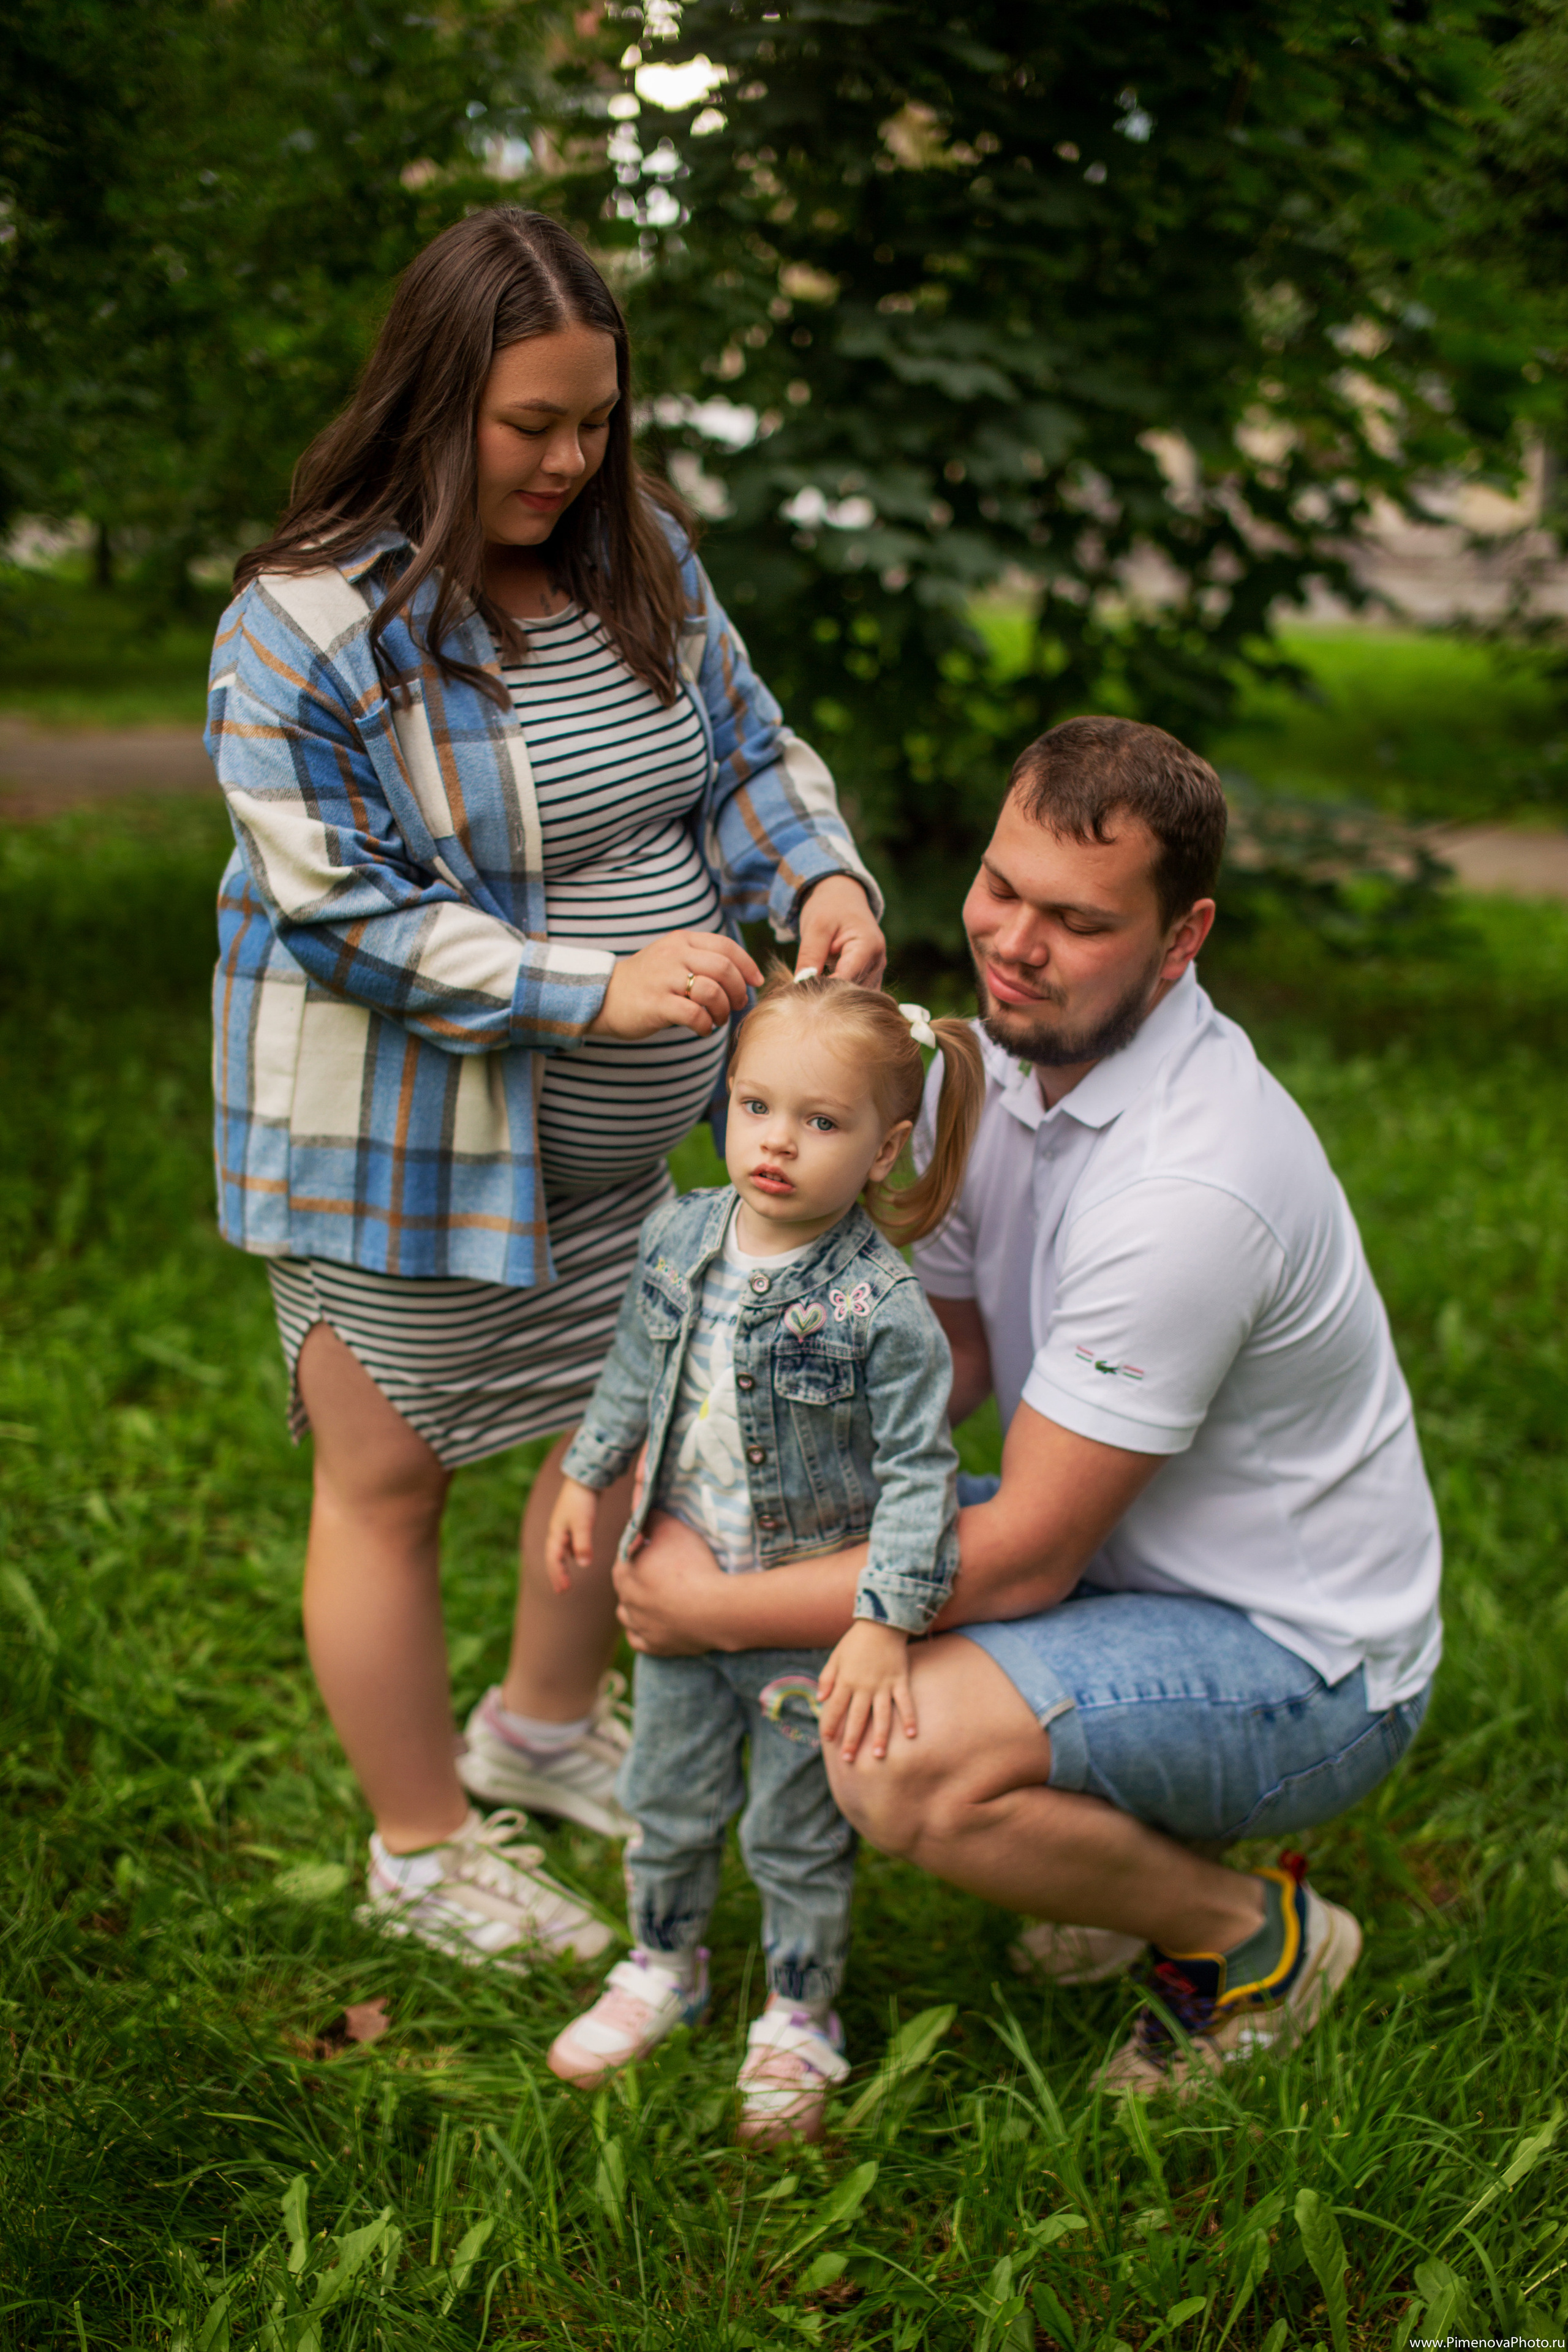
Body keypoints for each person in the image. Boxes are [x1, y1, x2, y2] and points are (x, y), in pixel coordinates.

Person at [206, 206, 886, 1969]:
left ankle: (533, 1731)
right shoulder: (304, 632)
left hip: (613, 1162)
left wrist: (819, 877)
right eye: (534, 426)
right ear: (436, 403)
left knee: (628, 1436)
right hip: (401, 1155)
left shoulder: (632, 553)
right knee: (392, 1484)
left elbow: (741, 755)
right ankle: (422, 1851)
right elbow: (342, 915)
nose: (574, 460)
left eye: (598, 420)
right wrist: (596, 991)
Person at [611, 716, 1442, 2095]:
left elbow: (1031, 1552)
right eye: (1000, 887)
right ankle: (1101, 1825)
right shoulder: (994, 1068)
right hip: (1134, 1573)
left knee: (893, 1753)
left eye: (1077, 920)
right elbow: (943, 1366)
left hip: (1303, 1662)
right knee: (805, 1575)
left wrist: (716, 1607)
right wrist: (742, 1475)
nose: (1011, 940)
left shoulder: (1190, 1187)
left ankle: (1254, 1938)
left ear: (1181, 941)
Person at [542, 971, 984, 2142]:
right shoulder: (680, 1232)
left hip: (804, 1622)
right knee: (667, 1798)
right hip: (679, 1581)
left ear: (885, 1149)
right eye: (754, 1107)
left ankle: (800, 2011)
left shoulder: (881, 1309)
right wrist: (592, 1471)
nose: (777, 1144)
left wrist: (884, 1621)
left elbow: (918, 1476)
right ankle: (663, 1964)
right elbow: (637, 1370)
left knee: (795, 1830)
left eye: (820, 1122)